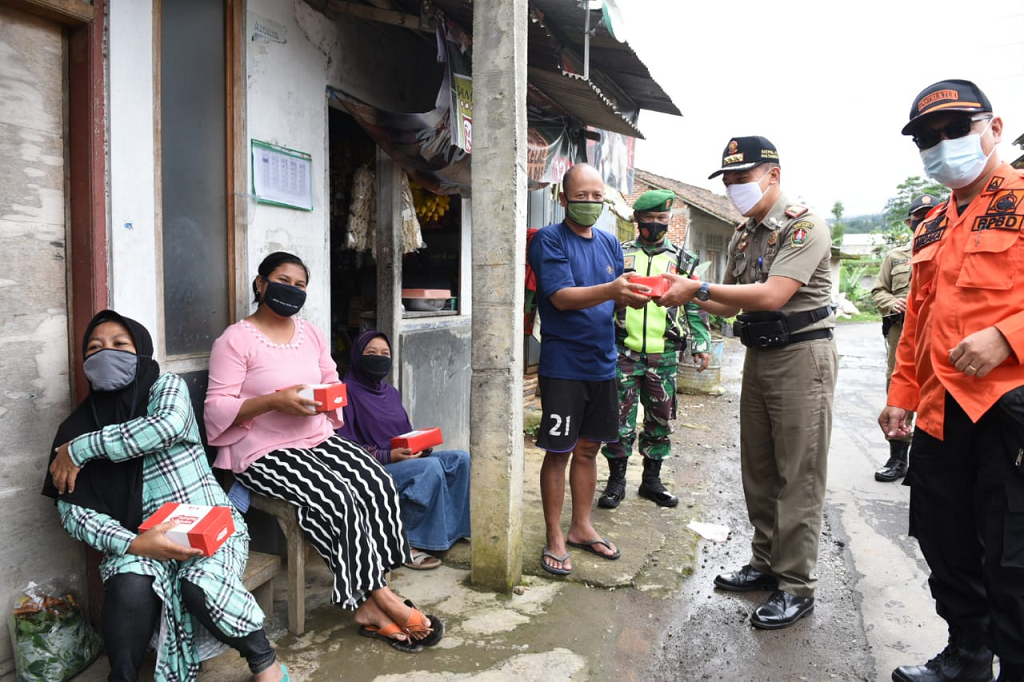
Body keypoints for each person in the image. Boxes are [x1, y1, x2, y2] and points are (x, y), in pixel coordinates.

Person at [204, 251, 443, 654]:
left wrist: (325, 401)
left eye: (300, 285)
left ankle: (373, 592)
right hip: (263, 448)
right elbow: (216, 409)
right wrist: (273, 401)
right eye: (283, 280)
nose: (291, 290)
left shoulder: (312, 334)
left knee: (375, 481)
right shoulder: (235, 339)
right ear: (261, 284)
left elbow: (333, 384)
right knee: (336, 495)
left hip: (315, 438)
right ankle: (376, 600)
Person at [43, 310, 288, 682]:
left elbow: (166, 427)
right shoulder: (74, 426)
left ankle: (265, 663)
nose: (105, 353)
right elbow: (74, 512)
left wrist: (82, 448)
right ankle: (122, 676)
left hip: (210, 525)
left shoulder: (164, 388)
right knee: (128, 582)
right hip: (140, 539)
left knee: (200, 582)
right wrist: (134, 543)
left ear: (141, 350)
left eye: (119, 345)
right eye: (94, 348)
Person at [658, 136, 838, 630]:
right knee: (758, 468)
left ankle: (796, 586)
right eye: (730, 180)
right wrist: (683, 296)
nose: (735, 187)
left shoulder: (804, 227)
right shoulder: (744, 235)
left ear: (773, 175)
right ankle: (764, 565)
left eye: (743, 178)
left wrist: (700, 287)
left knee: (796, 474)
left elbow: (773, 294)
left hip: (803, 357)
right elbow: (729, 304)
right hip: (759, 356)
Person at [878, 79, 1024, 682]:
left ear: (993, 128)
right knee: (945, 539)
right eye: (928, 139)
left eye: (955, 129)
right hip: (940, 411)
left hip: (1007, 410)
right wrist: (900, 396)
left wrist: (1010, 336)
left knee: (1013, 556)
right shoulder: (931, 223)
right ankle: (967, 654)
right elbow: (917, 319)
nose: (942, 145)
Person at [526, 163, 651, 576]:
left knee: (588, 448)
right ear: (563, 199)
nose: (590, 204)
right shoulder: (549, 239)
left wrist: (631, 296)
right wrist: (613, 289)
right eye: (582, 196)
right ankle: (554, 536)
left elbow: (610, 298)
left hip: (603, 362)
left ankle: (580, 526)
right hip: (564, 364)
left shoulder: (611, 243)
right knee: (559, 450)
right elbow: (561, 297)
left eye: (598, 197)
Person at [598, 189, 712, 509]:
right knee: (619, 421)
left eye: (662, 219)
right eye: (649, 219)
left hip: (663, 356)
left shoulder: (682, 259)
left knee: (659, 420)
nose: (656, 224)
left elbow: (695, 306)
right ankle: (616, 482)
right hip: (623, 353)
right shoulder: (619, 255)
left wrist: (701, 344)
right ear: (637, 220)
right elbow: (604, 300)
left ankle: (651, 481)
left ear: (669, 220)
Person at [336, 330, 471, 570]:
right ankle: (405, 541)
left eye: (385, 353)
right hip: (371, 469)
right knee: (427, 469)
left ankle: (450, 531)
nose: (379, 357)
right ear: (358, 356)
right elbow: (344, 447)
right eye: (371, 353)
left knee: (460, 459)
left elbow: (405, 434)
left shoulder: (391, 392)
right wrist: (388, 456)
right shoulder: (345, 392)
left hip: (402, 460)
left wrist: (419, 446)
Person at [870, 194, 939, 482]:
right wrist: (891, 302)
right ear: (908, 222)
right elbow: (878, 291)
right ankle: (898, 458)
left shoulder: (948, 249)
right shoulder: (895, 256)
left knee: (936, 393)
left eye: (929, 215)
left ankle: (930, 462)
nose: (922, 221)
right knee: (898, 393)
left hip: (938, 335)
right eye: (918, 217)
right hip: (902, 336)